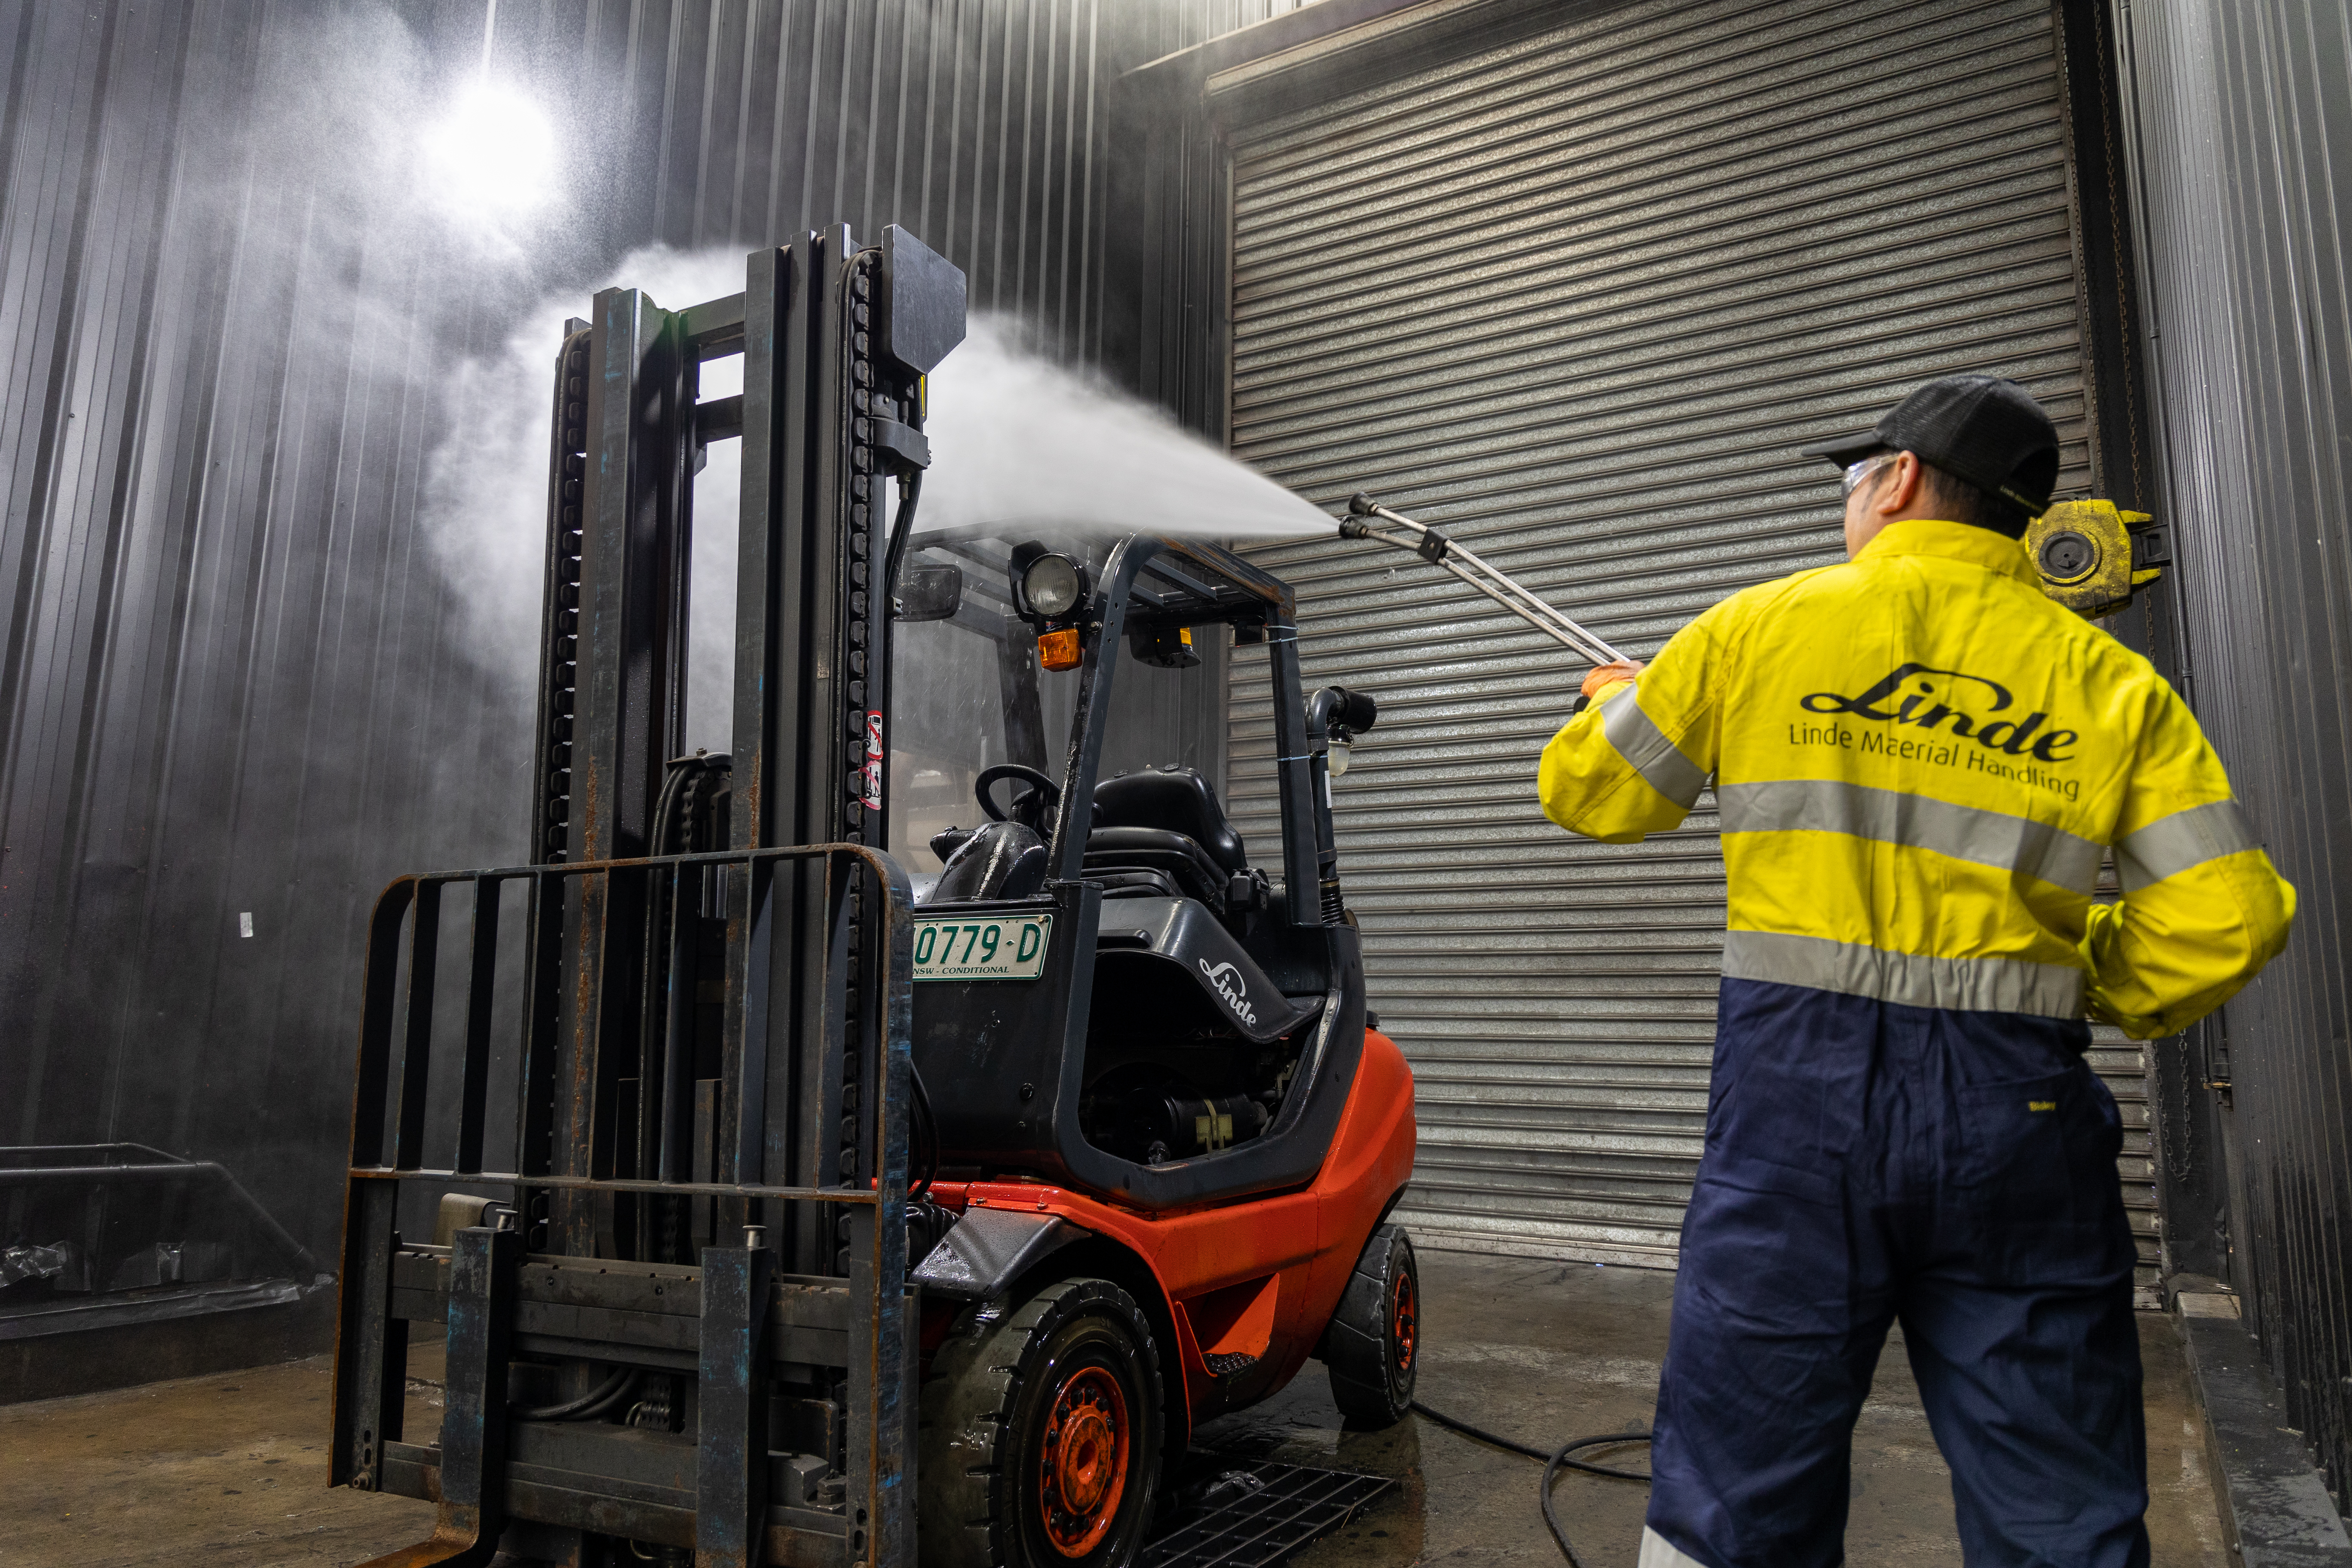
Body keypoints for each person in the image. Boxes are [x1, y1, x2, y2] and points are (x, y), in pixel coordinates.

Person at [1537, 374, 2295, 1568]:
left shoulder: (1760, 627)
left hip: (1796, 1115)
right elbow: (2235, 915)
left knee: (1737, 1501)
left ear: (1895, 481)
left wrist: (1618, 707)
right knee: (2059, 1508)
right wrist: (2081, 970)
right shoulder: (2111, 683)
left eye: (1859, 475)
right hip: (2020, 1113)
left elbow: (1594, 798)